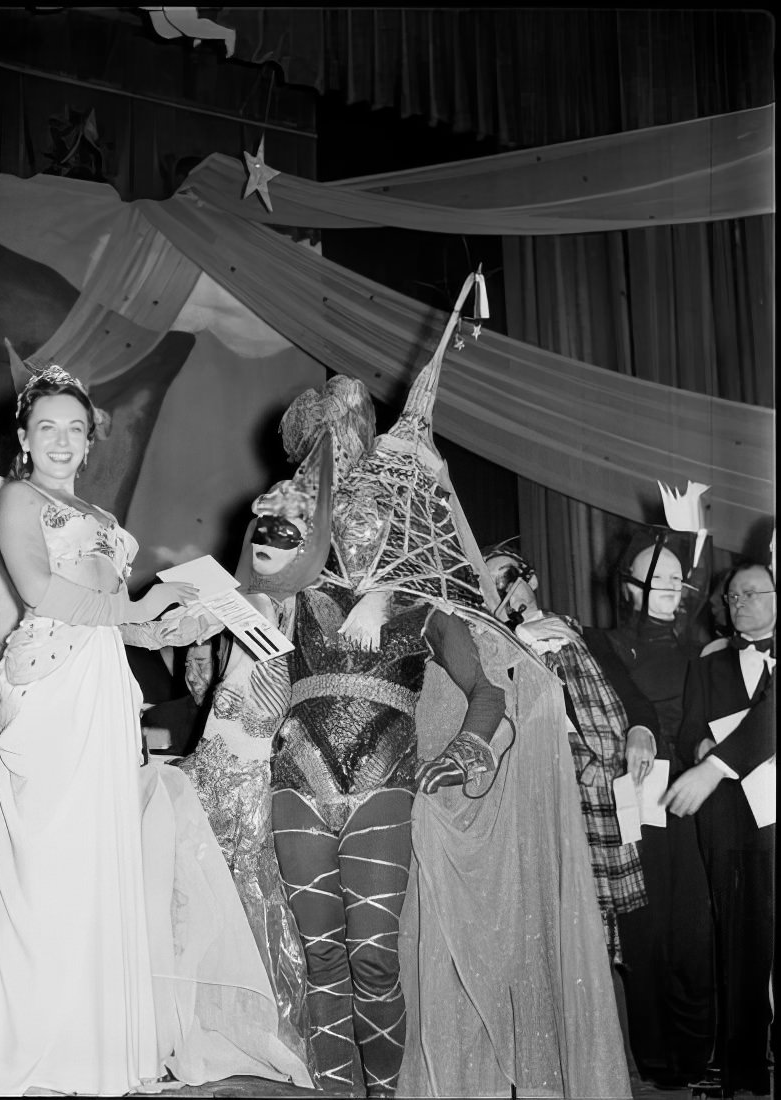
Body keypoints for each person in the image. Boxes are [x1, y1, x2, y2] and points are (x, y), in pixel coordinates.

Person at [267, 282, 631, 1098]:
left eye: (372, 507)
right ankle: (337, 1091)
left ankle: (389, 1091)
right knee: (321, 954)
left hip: (384, 782)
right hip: (296, 779)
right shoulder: (288, 584)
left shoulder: (422, 602)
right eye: (341, 497)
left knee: (371, 955)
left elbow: (488, 692)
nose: (357, 515)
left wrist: (468, 749)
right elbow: (239, 670)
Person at [0, 365, 311, 1096]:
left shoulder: (104, 519)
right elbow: (43, 592)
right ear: (23, 437)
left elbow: (131, 626)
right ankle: (40, 1044)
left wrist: (192, 616)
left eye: (75, 429)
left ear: (89, 443)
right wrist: (144, 608)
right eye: (46, 427)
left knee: (99, 861)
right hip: (50, 682)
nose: (61, 441)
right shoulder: (16, 500)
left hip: (104, 683)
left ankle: (95, 1049)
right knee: (50, 863)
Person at [175, 433, 336, 1077]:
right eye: (261, 527)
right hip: (220, 758)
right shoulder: (250, 600)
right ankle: (222, 1025)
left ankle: (263, 1026)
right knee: (209, 888)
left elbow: (276, 699)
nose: (268, 540)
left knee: (246, 893)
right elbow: (201, 684)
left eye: (287, 531)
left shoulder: (305, 605)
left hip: (253, 771)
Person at [480, 544, 655, 965]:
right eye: (488, 584)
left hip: (621, 790)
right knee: (576, 937)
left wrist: (642, 730)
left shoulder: (587, 634)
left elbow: (634, 697)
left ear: (531, 578)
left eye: (506, 577)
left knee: (633, 938)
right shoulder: (492, 651)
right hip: (555, 797)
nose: (501, 590)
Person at [584, 530, 715, 1088]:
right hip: (631, 801)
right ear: (629, 588)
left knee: (693, 930)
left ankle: (696, 1055)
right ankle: (658, 1063)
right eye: (654, 576)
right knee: (645, 932)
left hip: (692, 800)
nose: (668, 584)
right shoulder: (600, 642)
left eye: (674, 577)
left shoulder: (702, 650)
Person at [663, 560, 776, 1097]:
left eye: (751, 593)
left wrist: (716, 762)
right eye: (731, 598)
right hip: (734, 821)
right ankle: (745, 1073)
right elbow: (687, 732)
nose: (738, 604)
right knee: (741, 946)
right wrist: (700, 750)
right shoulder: (708, 666)